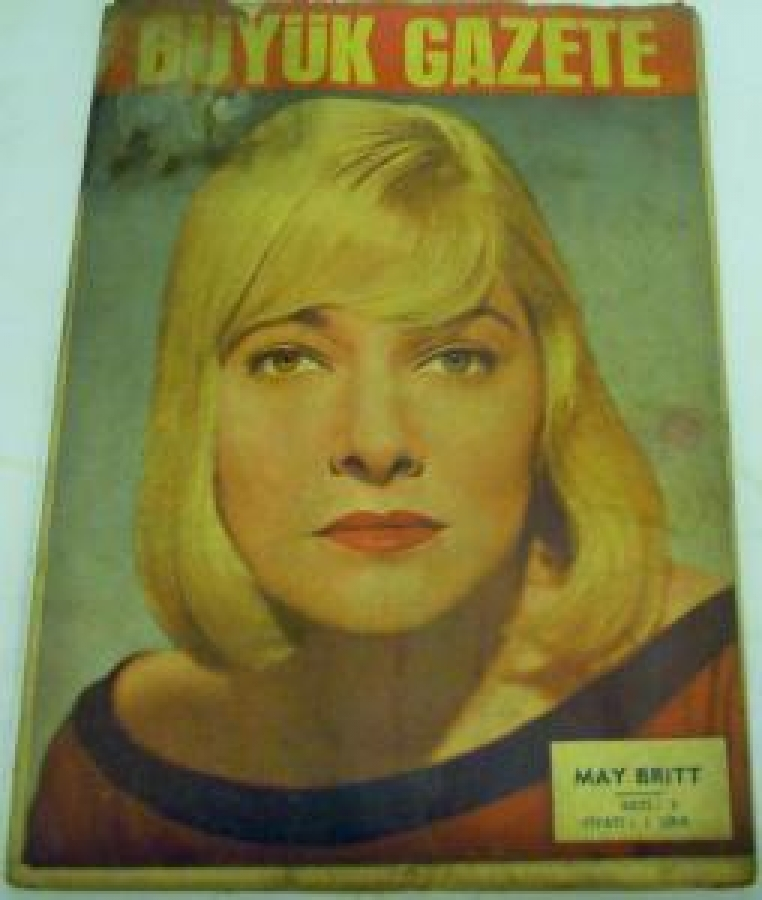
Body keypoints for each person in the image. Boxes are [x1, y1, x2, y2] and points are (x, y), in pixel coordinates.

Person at [25, 98, 751, 866]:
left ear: (552, 392)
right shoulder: (108, 763)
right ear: (195, 408)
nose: (376, 444)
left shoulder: (718, 681)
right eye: (288, 360)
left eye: (456, 359)